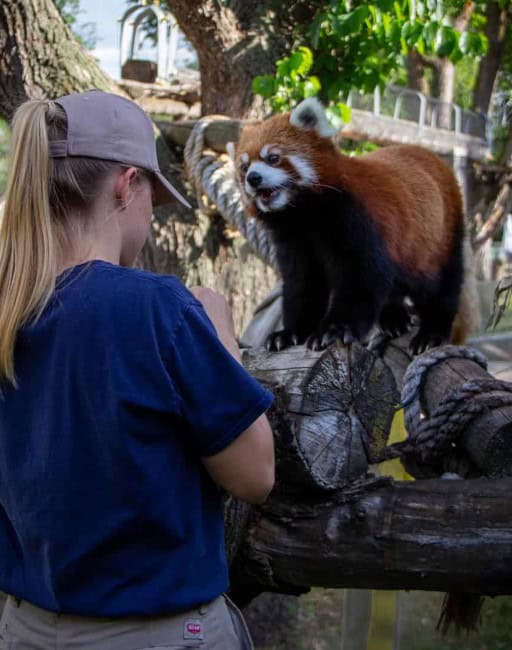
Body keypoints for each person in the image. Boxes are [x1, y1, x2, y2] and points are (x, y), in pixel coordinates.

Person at [0, 90, 275, 649]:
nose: (153, 218)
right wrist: (220, 330)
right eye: (155, 198)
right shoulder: (158, 307)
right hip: (154, 635)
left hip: (24, 629)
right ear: (128, 186)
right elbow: (255, 475)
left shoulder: (8, 309)